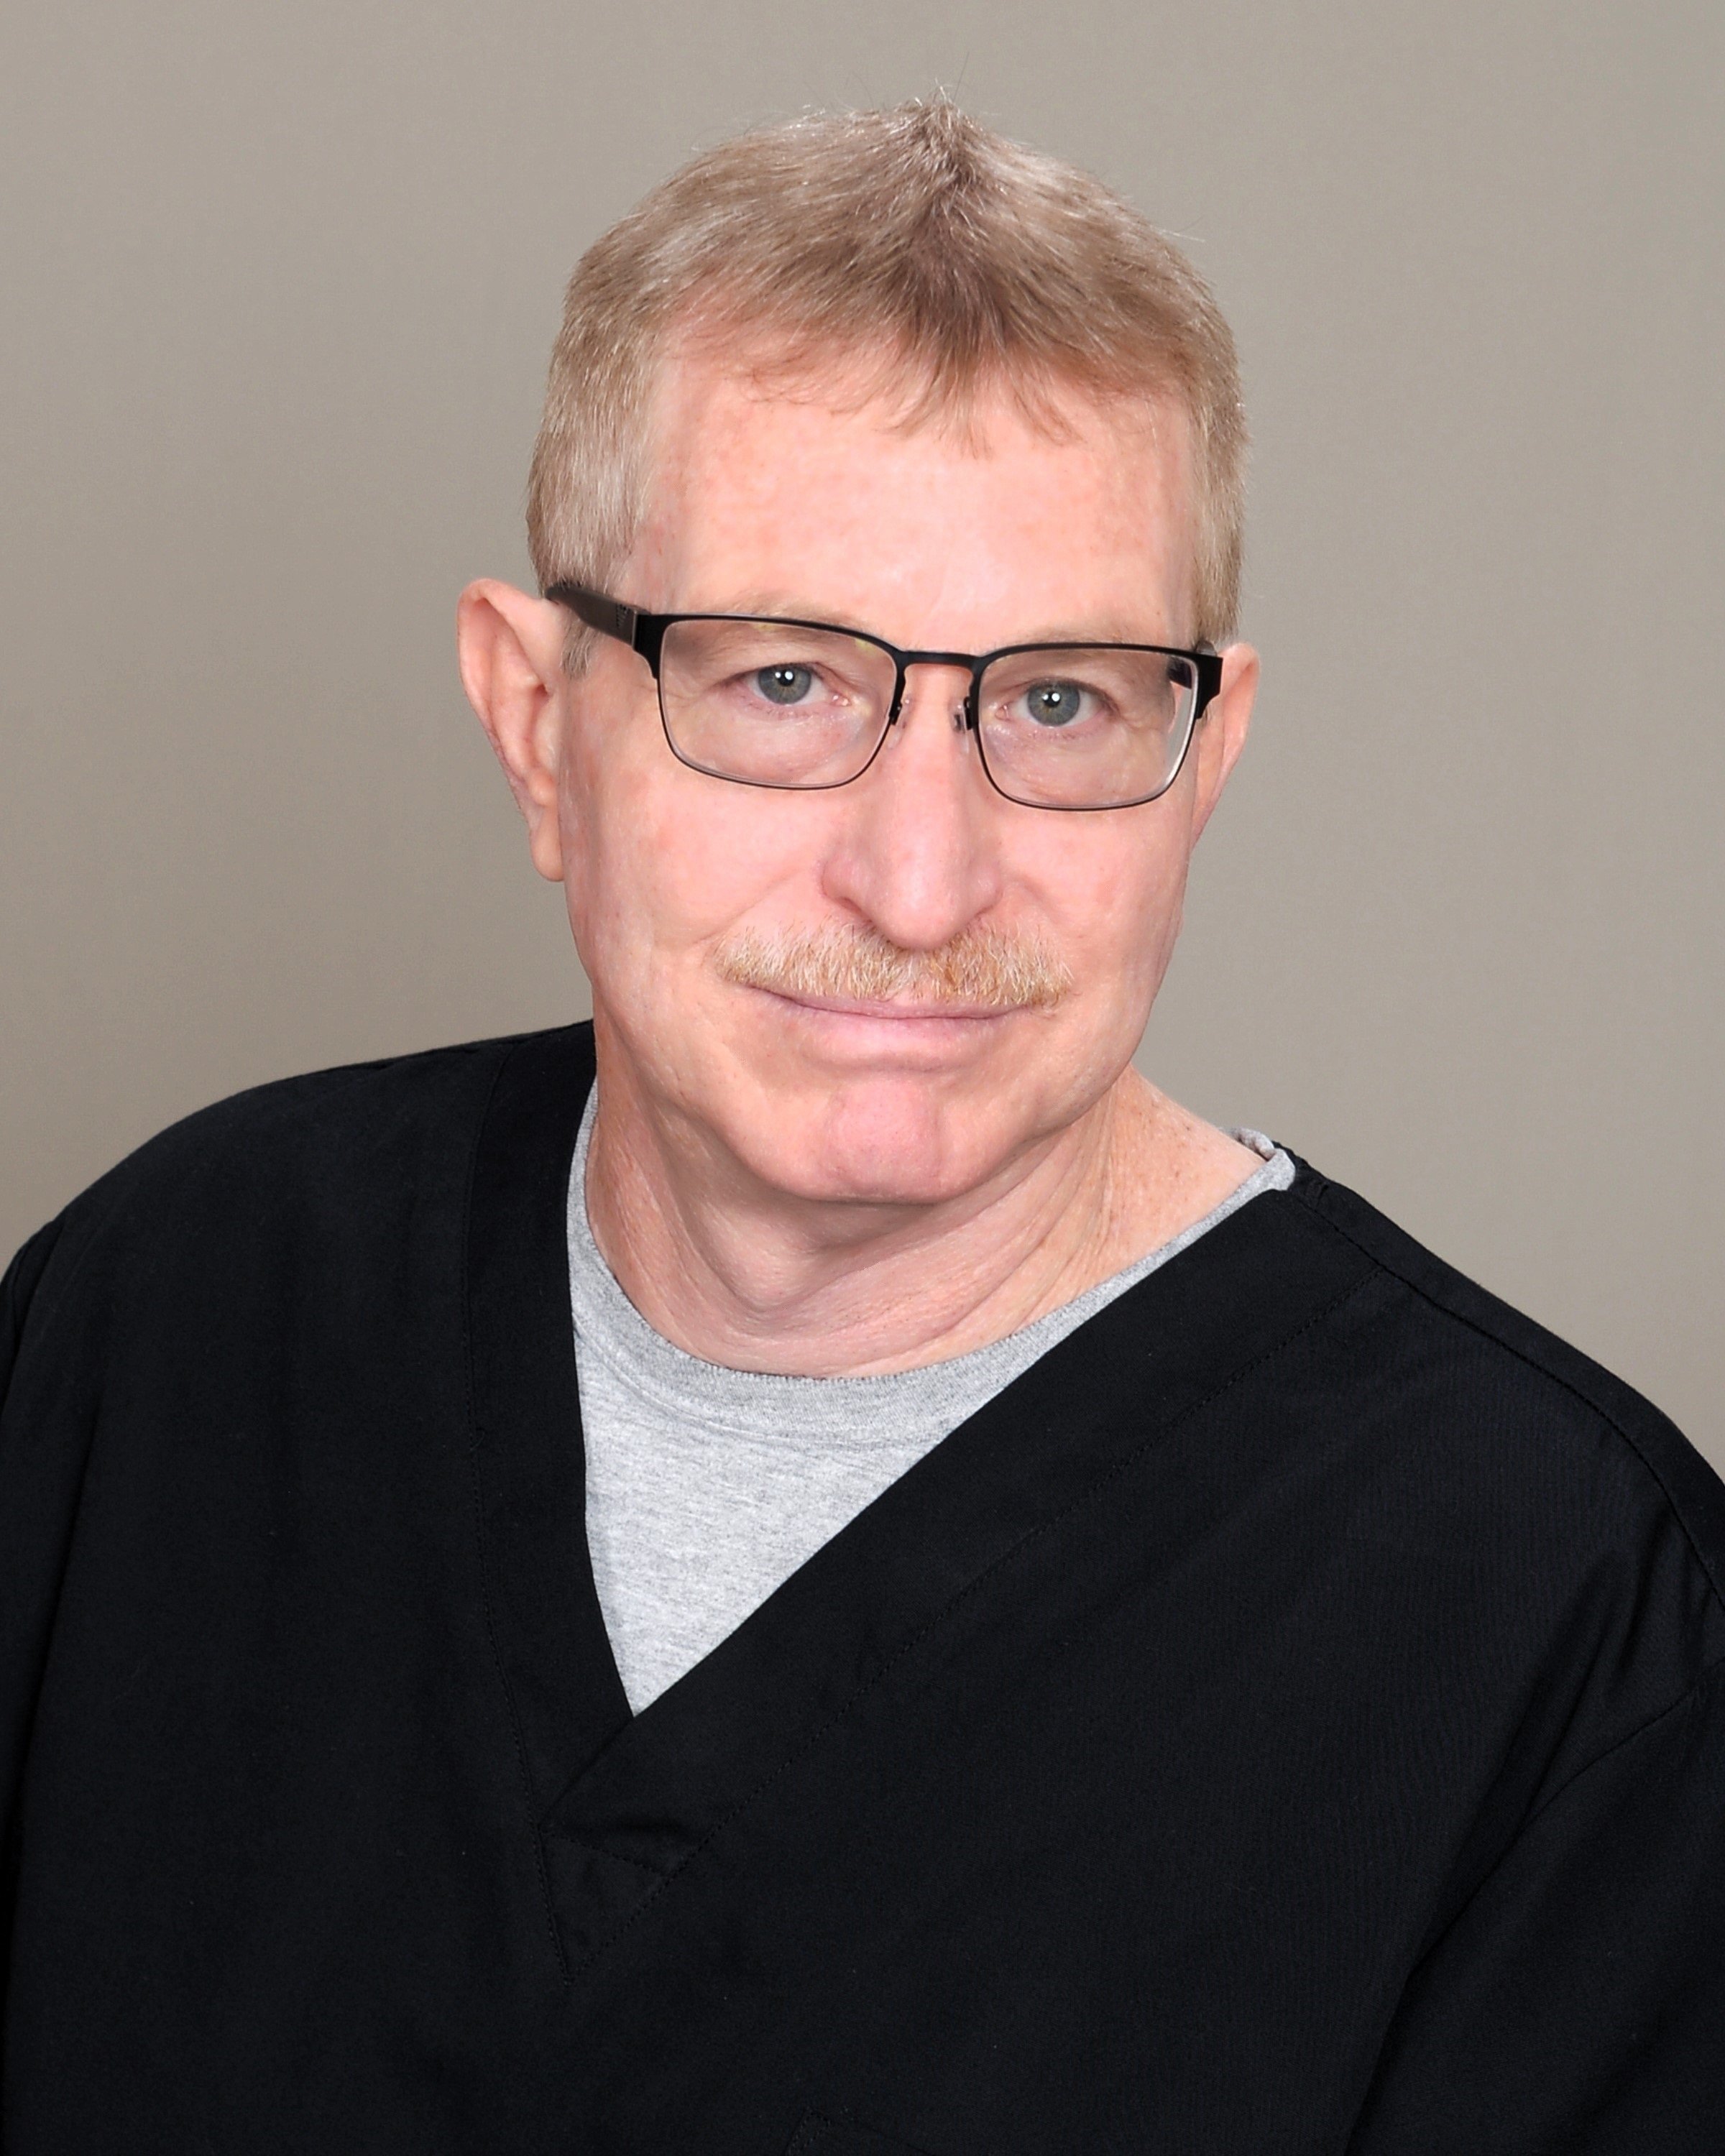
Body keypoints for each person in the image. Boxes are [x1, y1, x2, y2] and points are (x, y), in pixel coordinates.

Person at [1, 98, 1720, 2156]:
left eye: (1059, 703)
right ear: (539, 727)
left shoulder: (1565, 1624)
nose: (920, 883)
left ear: (1206, 761)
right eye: (786, 685)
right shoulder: (167, 1311)